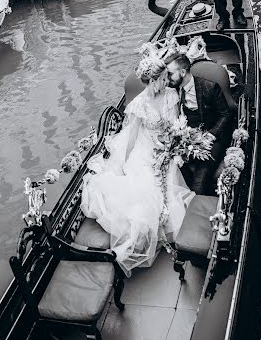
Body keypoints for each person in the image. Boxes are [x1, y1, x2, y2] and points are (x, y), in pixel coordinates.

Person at [81, 45, 194, 277]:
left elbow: (174, 123)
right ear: (153, 82)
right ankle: (144, 235)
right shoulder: (140, 105)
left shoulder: (171, 95)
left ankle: (163, 230)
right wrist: (123, 162)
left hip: (167, 145)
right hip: (145, 148)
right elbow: (131, 136)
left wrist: (173, 144)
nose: (167, 82)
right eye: (163, 79)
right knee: (143, 189)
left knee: (169, 178)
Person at [166, 52, 232, 195]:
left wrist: (211, 136)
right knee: (175, 166)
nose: (167, 78)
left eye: (170, 74)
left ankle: (197, 203)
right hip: (188, 139)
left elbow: (225, 115)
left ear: (183, 72)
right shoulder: (173, 90)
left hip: (213, 138)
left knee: (201, 176)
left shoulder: (210, 87)